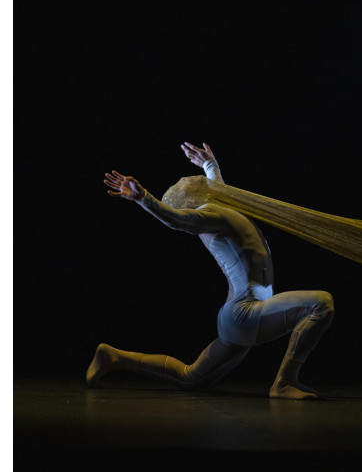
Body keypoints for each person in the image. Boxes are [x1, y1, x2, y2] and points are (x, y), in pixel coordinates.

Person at [86, 142, 334, 400]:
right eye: (201, 183)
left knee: (190, 378)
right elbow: (176, 219)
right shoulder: (209, 215)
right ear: (199, 199)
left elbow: (218, 190)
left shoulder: (223, 209)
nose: (206, 184)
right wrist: (143, 198)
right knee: (321, 304)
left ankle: (112, 356)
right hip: (246, 313)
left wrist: (209, 165)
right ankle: (285, 382)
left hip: (241, 315)